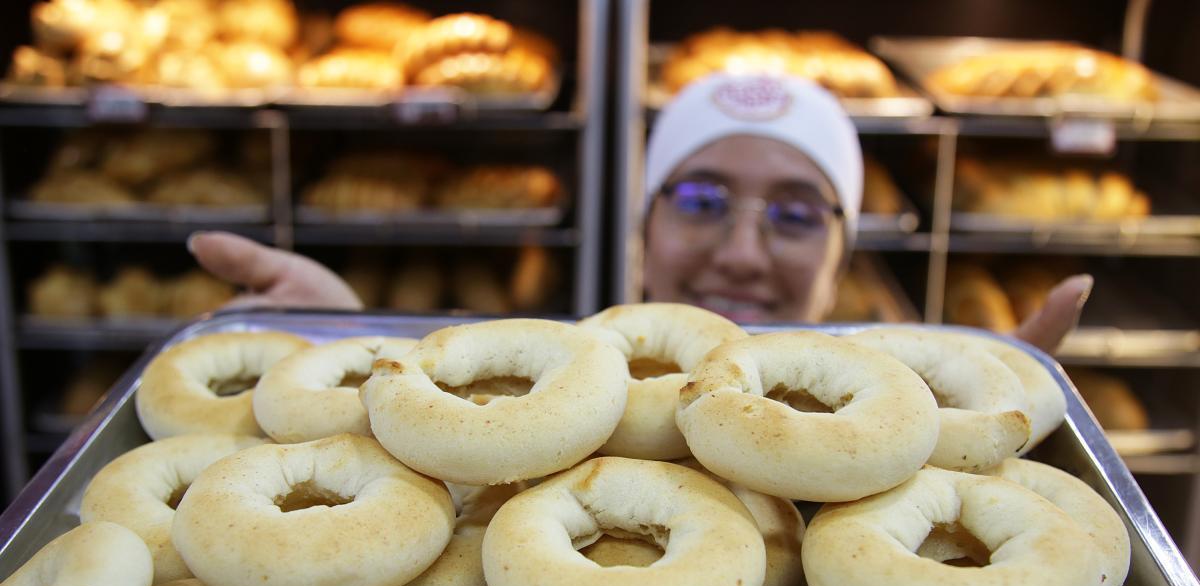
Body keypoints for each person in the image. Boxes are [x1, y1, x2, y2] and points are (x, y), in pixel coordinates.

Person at [187, 73, 1091, 353]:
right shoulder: (549, 401)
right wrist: (343, 340)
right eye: (701, 201)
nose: (740, 253)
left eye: (794, 215)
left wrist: (991, 434)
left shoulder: (895, 447)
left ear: (843, 250)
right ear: (644, 226)